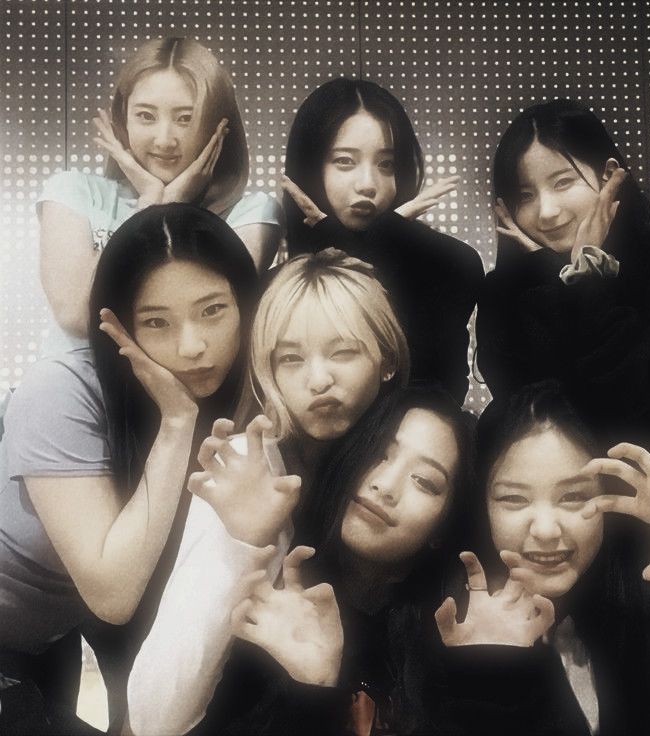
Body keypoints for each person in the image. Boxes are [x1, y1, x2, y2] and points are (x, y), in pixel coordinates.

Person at [126, 248, 410, 735]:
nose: (318, 380)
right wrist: (245, 542)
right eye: (291, 359)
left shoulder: (405, 456)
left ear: (386, 360)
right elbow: (155, 715)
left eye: (343, 352)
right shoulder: (250, 465)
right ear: (268, 372)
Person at [0, 203, 259, 734]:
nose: (193, 346)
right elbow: (114, 594)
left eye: (213, 310)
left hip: (50, 638)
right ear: (116, 323)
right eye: (156, 321)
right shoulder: (63, 390)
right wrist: (177, 424)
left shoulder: (239, 402)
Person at [460, 380, 650, 735]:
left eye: (573, 497)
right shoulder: (450, 632)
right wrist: (488, 673)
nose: (546, 530)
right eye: (514, 499)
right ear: (481, 507)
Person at [476, 98, 650, 475]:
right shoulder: (503, 290)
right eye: (525, 195)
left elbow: (627, 390)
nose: (546, 211)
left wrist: (586, 275)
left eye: (562, 182)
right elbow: (527, 412)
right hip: (553, 494)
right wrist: (553, 273)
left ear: (608, 175)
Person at [38, 36, 280, 353]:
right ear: (122, 118)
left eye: (185, 118)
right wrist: (150, 206)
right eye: (146, 116)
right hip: (71, 378)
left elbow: (191, 327)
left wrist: (171, 209)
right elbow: (78, 317)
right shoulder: (73, 192)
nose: (164, 140)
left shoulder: (252, 213)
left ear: (219, 128)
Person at [282, 77, 484, 404]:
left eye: (386, 164)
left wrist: (378, 245)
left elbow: (438, 395)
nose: (368, 184)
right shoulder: (280, 284)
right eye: (345, 161)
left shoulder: (450, 264)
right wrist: (350, 251)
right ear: (309, 168)